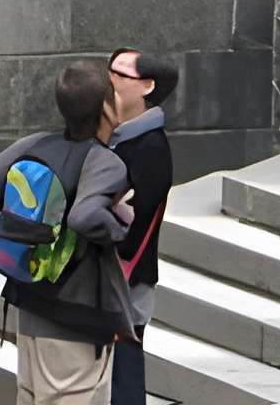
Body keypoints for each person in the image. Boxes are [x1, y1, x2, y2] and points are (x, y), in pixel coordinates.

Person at [0, 62, 137, 405]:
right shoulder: (104, 161)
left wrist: (33, 212)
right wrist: (122, 225)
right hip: (76, 316)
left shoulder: (37, 144)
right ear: (106, 108)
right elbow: (85, 217)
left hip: (30, 300)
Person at [104, 52, 179, 405]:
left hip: (126, 279)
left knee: (124, 377)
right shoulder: (116, 135)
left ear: (147, 86)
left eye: (120, 75)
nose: (110, 80)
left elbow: (134, 225)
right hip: (110, 277)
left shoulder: (151, 147)